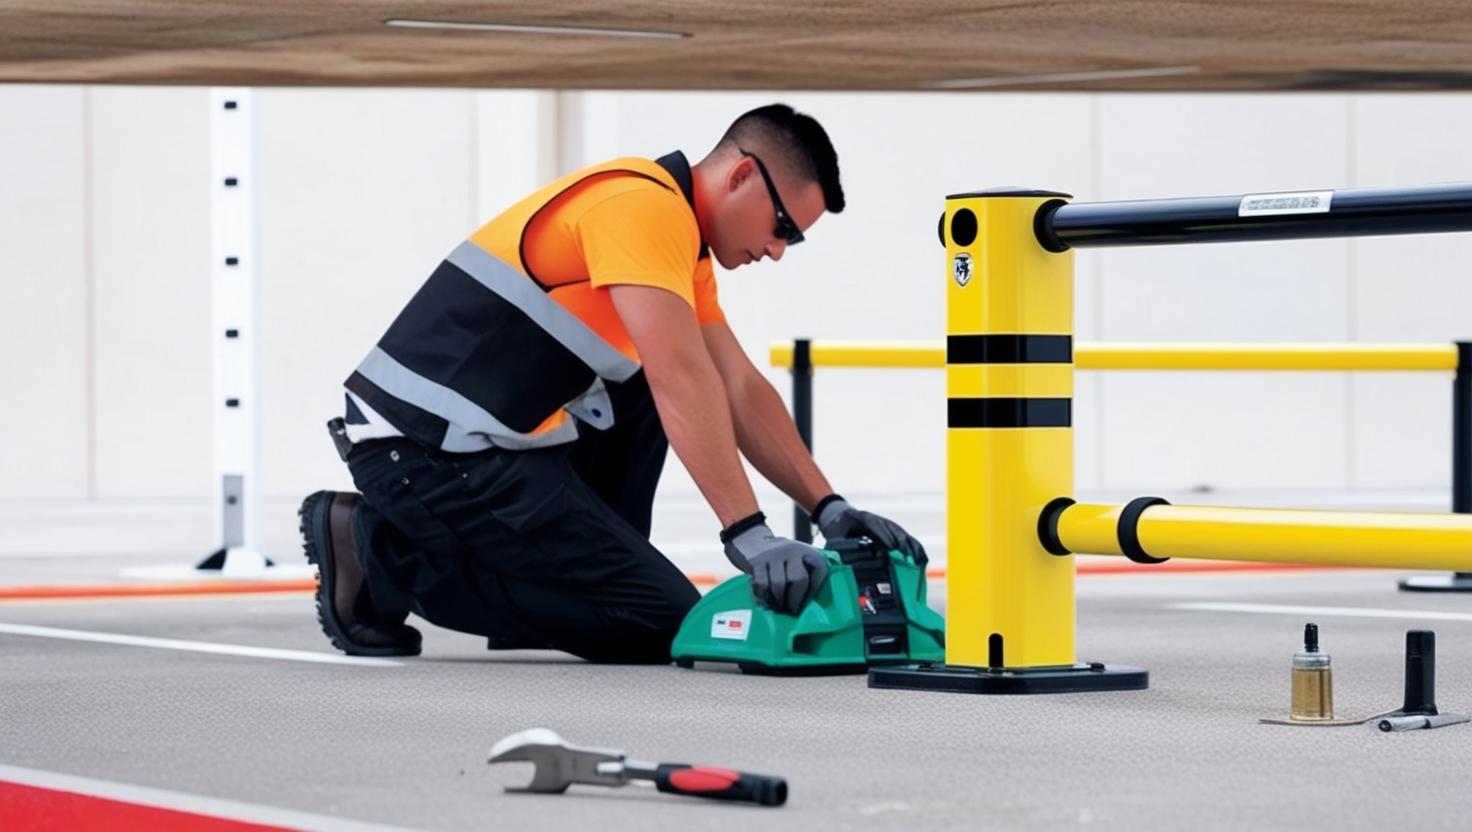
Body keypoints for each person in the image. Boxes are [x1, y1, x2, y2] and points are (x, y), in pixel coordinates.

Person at [299, 103, 927, 662]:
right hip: (422, 449)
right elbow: (680, 375)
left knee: (660, 400)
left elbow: (735, 384)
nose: (779, 250)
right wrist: (750, 534)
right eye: (783, 227)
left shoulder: (679, 241)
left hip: (495, 443)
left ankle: (589, 580)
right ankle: (371, 549)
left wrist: (829, 508)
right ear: (741, 176)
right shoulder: (641, 206)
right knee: (652, 623)